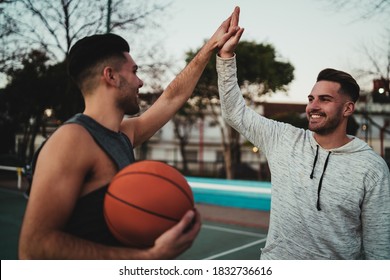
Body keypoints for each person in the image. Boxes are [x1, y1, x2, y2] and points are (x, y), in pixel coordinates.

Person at [18, 7, 241, 259]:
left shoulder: (123, 134)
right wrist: (149, 257)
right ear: (111, 76)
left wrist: (210, 46)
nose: (140, 82)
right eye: (134, 71)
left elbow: (173, 97)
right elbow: (33, 248)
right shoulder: (72, 140)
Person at [216, 10, 390, 259]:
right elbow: (234, 113)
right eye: (311, 99)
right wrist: (226, 56)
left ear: (347, 108)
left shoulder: (371, 168)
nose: (313, 106)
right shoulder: (284, 140)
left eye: (325, 99)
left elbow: (378, 252)